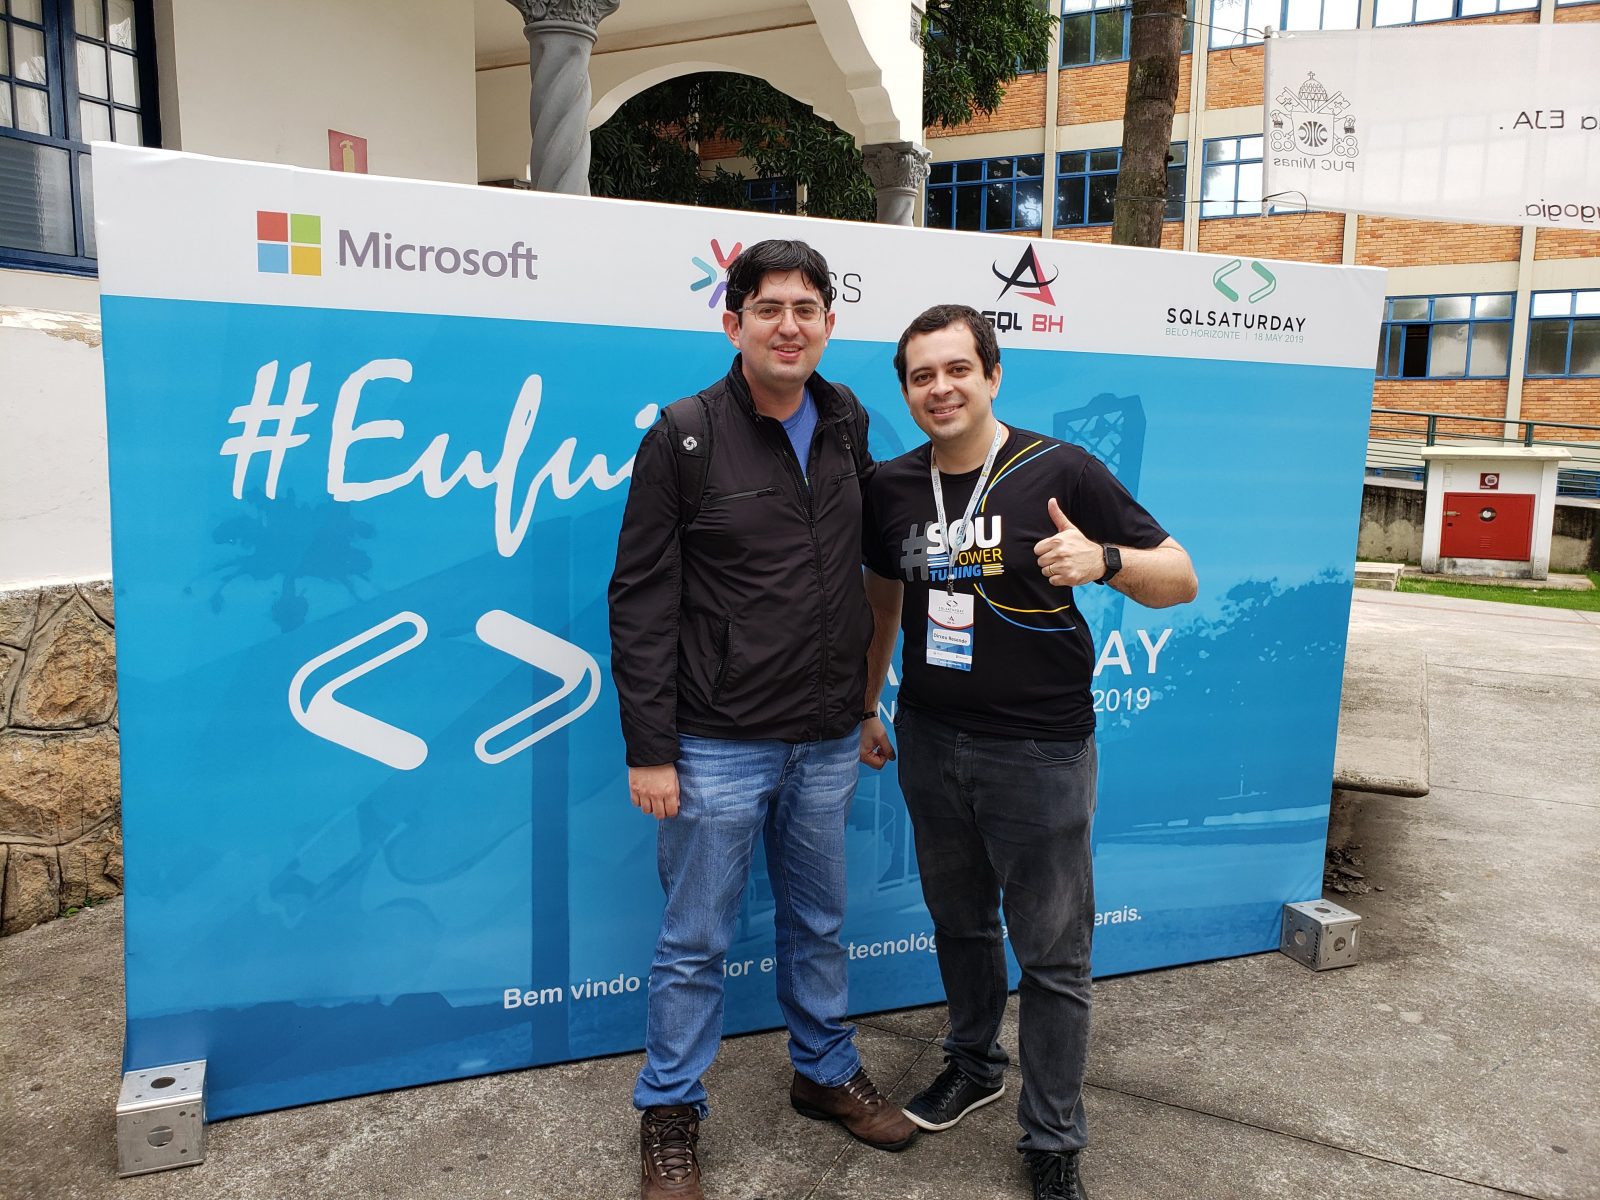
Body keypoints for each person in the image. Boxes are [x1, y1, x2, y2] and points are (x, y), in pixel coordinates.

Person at [858, 304, 1197, 1200]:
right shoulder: (892, 486)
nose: (940, 388)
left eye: (957, 370)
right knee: (960, 924)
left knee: (1052, 957)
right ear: (907, 391)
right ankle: (973, 1064)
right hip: (930, 740)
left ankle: (1052, 1139)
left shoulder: (1060, 469)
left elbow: (1181, 576)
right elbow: (884, 602)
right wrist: (866, 704)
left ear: (993, 375)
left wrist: (1105, 561)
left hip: (1040, 752)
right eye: (922, 376)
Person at [609, 239, 916, 1200]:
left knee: (819, 921)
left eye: (806, 308)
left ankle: (823, 1070)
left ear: (830, 321)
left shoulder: (845, 417)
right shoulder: (683, 434)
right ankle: (670, 1110)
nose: (790, 326)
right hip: (716, 742)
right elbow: (641, 600)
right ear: (733, 321)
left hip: (825, 737)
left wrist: (864, 703)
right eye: (769, 308)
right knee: (695, 941)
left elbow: (863, 571)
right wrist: (651, 750)